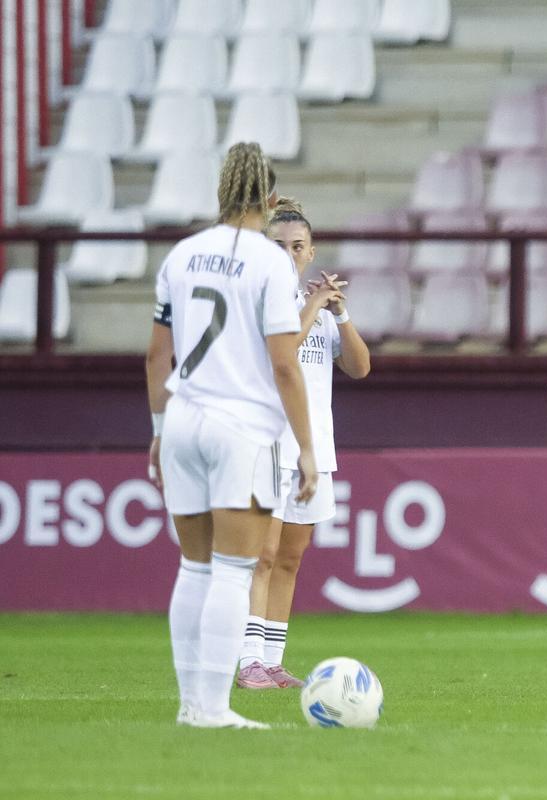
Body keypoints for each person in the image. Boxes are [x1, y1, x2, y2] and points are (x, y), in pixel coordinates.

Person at [146, 142, 317, 728]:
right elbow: (285, 365)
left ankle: (190, 704)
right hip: (240, 426)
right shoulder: (270, 263)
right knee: (231, 570)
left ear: (221, 191)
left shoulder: (183, 254)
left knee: (193, 568)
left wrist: (158, 430)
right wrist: (307, 449)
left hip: (183, 418)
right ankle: (214, 707)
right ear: (271, 199)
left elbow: (156, 356)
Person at [236, 198, 371, 690]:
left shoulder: (317, 309)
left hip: (312, 447)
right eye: (278, 246)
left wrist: (341, 312)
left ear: (311, 252)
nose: (289, 254)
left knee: (290, 558)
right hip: (267, 443)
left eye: (297, 246)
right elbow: (281, 356)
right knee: (263, 554)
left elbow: (359, 367)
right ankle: (248, 660)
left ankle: (272, 660)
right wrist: (314, 306)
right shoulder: (254, 302)